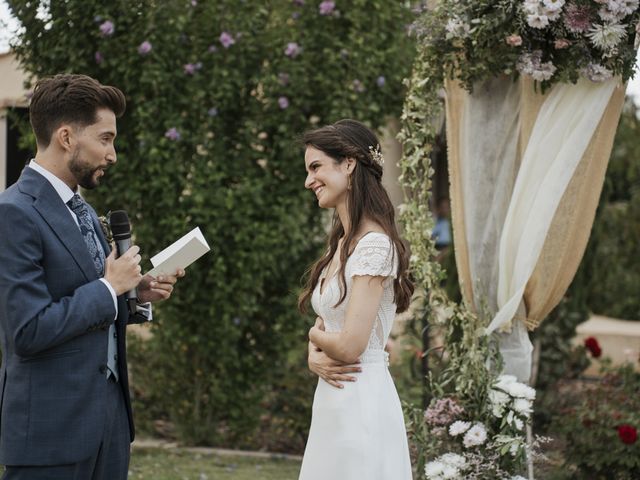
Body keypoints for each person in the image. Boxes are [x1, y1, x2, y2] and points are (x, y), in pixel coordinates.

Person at [0, 74, 184, 480]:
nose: (112, 153)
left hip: (110, 425)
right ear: (66, 137)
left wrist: (135, 294)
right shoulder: (13, 212)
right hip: (50, 432)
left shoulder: (81, 210)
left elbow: (86, 296)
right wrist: (108, 287)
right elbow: (26, 330)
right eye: (105, 138)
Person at [298, 119, 414, 479]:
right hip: (334, 398)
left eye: (316, 167)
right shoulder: (343, 245)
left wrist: (313, 338)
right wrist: (315, 356)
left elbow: (349, 346)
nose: (308, 180)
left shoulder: (374, 244)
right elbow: (336, 326)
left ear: (348, 164)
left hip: (360, 396)